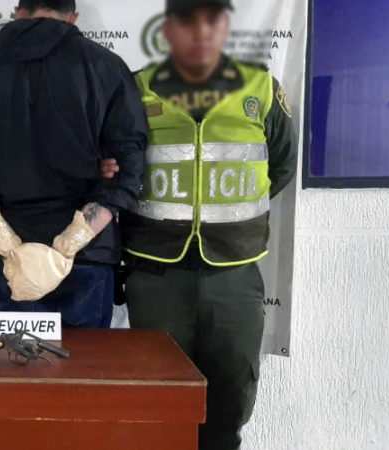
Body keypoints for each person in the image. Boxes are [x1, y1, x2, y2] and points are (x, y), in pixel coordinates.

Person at [120, 1, 298, 448]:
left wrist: (232, 220)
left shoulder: (261, 88)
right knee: (158, 403)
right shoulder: (137, 89)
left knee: (230, 398)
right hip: (157, 272)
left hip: (234, 272)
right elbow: (115, 167)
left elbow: (281, 165)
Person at [0, 0, 148, 328]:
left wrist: (7, 243)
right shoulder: (106, 66)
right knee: (84, 363)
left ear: (18, 12)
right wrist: (69, 244)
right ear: (73, 17)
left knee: (9, 361)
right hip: (85, 257)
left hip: (2, 262)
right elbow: (126, 167)